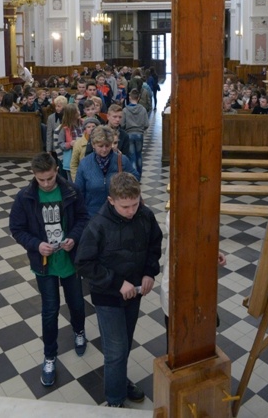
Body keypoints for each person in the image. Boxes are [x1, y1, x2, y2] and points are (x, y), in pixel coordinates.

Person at [75, 172, 162, 408]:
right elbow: (84, 263)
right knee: (115, 351)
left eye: (135, 203)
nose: (132, 210)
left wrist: (149, 272)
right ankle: (114, 403)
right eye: (125, 206)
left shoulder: (145, 216)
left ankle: (120, 381)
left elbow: (154, 245)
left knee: (124, 344)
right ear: (111, 201)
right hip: (108, 296)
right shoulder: (98, 225)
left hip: (134, 293)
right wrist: (116, 283)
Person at [9, 153, 89, 387]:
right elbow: (16, 228)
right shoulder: (25, 197)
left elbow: (83, 218)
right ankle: (50, 355)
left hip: (69, 261)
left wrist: (73, 238)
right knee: (49, 310)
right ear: (34, 175)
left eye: (50, 178)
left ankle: (79, 331)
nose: (46, 184)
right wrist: (36, 245)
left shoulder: (71, 191)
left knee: (76, 302)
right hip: (44, 266)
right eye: (41, 179)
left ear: (56, 170)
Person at [159, 208, 226, 351]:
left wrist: (213, 250)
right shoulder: (177, 210)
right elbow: (186, 236)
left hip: (198, 288)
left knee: (199, 339)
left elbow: (203, 233)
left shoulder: (203, 202)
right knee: (177, 344)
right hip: (179, 287)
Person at [75, 125, 139, 217]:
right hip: (93, 215)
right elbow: (79, 192)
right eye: (100, 146)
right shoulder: (85, 164)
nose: (104, 149)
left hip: (117, 214)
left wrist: (124, 181)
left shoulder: (122, 160)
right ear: (93, 145)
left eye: (107, 145)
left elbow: (135, 179)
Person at [121, 89, 149, 177]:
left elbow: (122, 124)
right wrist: (141, 128)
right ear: (139, 98)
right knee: (139, 155)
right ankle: (139, 174)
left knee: (132, 156)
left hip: (129, 134)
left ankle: (134, 176)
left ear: (129, 97)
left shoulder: (125, 110)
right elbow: (146, 124)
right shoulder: (143, 109)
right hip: (139, 134)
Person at [70, 116, 101, 181]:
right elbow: (74, 165)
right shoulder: (78, 143)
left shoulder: (102, 141)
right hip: (84, 176)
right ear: (85, 130)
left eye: (93, 126)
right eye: (88, 127)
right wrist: (76, 180)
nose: (91, 129)